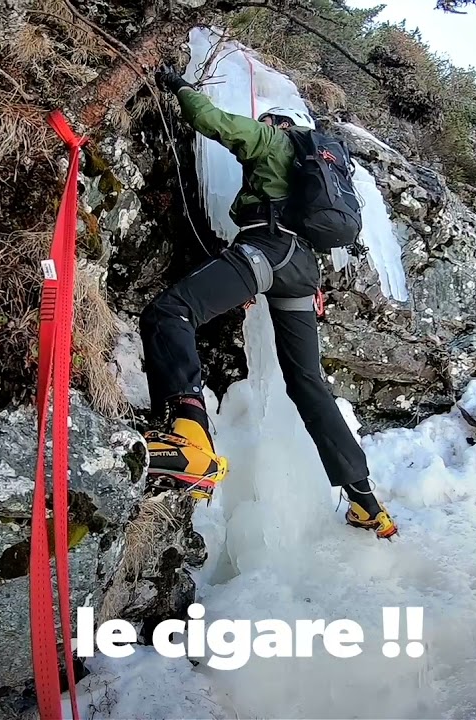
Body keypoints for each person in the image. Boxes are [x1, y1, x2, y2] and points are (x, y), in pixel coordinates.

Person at [139, 66, 398, 540]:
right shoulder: (320, 168)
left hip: (266, 250)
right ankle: (367, 504)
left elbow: (211, 120)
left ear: (278, 123)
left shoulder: (272, 139)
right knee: (308, 383)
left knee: (170, 313)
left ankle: (190, 437)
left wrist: (179, 86)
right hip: (301, 272)